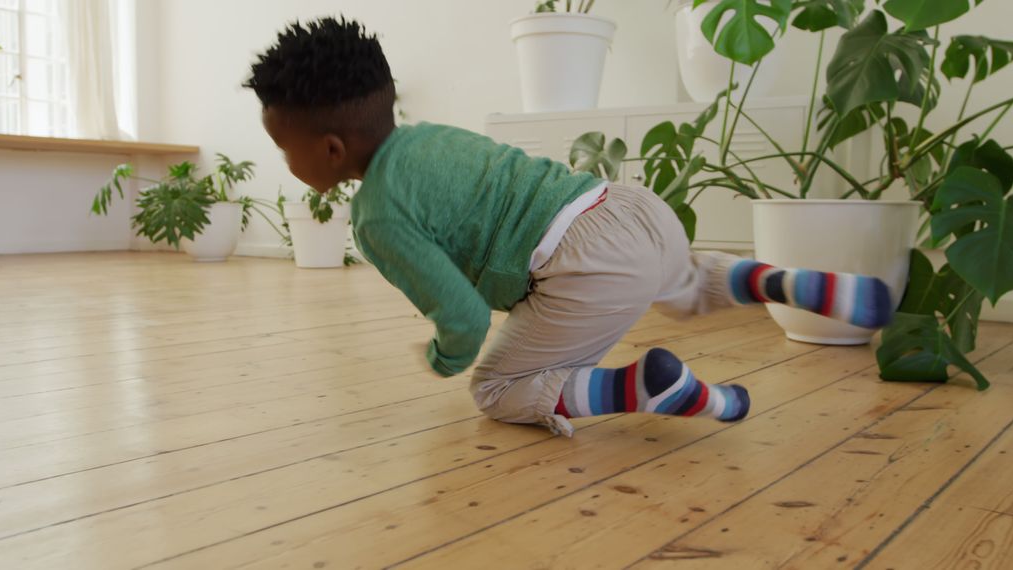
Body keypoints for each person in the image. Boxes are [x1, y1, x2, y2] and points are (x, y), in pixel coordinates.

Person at [245, 17, 893, 437]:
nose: (287, 161)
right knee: (687, 283)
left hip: (583, 264)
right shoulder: (429, 137)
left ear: (330, 150)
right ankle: (782, 280)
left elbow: (466, 319)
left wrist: (444, 359)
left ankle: (638, 386)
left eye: (285, 149)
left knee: (495, 389)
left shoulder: (379, 216)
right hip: (629, 208)